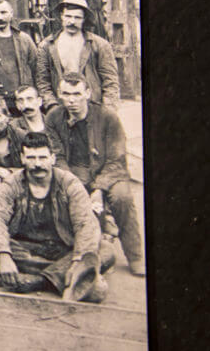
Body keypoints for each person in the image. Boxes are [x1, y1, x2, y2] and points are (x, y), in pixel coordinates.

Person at [0, 132, 113, 301]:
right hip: (25, 249)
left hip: (61, 248)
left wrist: (77, 261)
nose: (38, 164)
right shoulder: (11, 184)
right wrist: (3, 256)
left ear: (52, 158)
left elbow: (85, 224)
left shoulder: (69, 183)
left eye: (43, 157)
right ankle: (64, 277)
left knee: (106, 250)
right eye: (31, 158)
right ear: (22, 158)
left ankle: (38, 280)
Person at [45, 74, 144, 276]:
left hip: (109, 171)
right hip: (73, 173)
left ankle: (136, 256)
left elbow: (116, 159)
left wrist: (99, 188)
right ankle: (89, 249)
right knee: (68, 198)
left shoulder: (107, 117)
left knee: (122, 197)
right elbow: (59, 156)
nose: (71, 100)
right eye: (66, 94)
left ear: (88, 93)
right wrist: (74, 185)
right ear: (59, 94)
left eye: (77, 94)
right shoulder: (54, 117)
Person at [35, 0, 120, 111]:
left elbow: (110, 80)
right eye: (68, 16)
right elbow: (42, 81)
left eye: (77, 17)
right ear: (61, 16)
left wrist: (108, 110)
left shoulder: (100, 45)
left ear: (84, 19)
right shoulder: (46, 46)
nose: (72, 21)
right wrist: (52, 106)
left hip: (92, 107)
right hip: (61, 107)